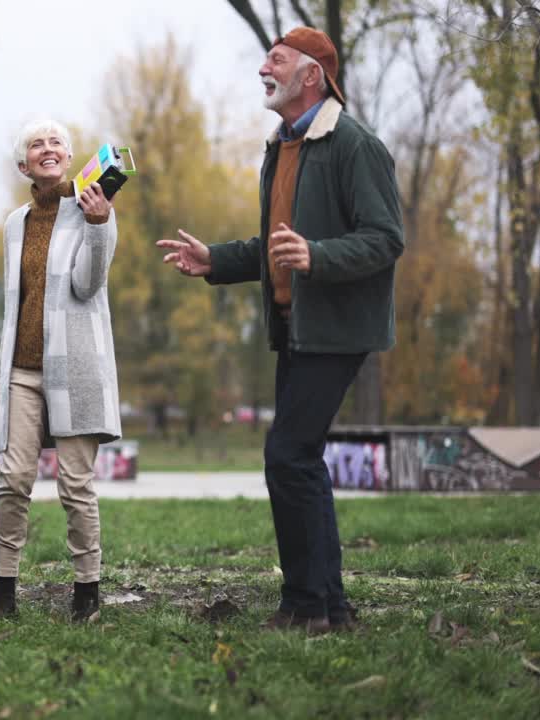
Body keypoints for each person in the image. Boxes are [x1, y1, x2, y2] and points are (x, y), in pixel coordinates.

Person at [156, 27, 404, 634]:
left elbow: (385, 239)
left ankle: (303, 605)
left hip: (337, 328)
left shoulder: (354, 144)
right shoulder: (283, 147)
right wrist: (216, 259)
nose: (263, 69)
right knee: (302, 459)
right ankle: (332, 608)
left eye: (277, 59)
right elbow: (276, 248)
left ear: (311, 75)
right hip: (296, 325)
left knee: (287, 455)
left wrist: (318, 256)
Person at [0, 118, 121, 624]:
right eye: (36, 145)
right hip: (22, 367)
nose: (48, 149)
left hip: (77, 365)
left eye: (56, 143)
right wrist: (3, 364)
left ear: (68, 157)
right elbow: (13, 302)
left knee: (75, 485)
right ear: (25, 165)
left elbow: (88, 286)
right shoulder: (14, 222)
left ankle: (87, 591)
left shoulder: (93, 209)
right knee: (13, 476)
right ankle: (3, 588)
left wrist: (99, 224)